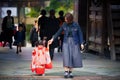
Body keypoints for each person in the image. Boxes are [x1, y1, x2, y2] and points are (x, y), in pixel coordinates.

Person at [48, 13, 84, 78]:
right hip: (66, 42)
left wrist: (81, 43)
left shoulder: (76, 25)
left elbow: (80, 34)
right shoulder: (64, 24)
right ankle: (66, 71)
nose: (65, 20)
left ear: (69, 20)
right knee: (66, 56)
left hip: (74, 42)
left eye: (66, 19)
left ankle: (70, 71)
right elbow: (58, 32)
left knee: (73, 57)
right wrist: (52, 39)